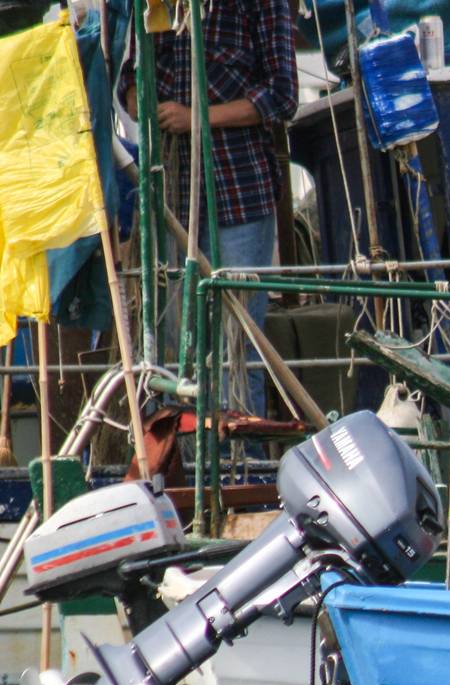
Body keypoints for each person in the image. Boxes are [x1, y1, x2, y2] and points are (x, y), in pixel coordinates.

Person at [120, 0, 298, 417]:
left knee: (236, 347)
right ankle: (177, 463)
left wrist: (198, 116)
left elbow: (282, 95)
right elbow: (128, 81)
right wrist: (139, 100)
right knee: (171, 344)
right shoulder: (152, 5)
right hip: (170, 195)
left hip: (238, 194)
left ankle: (242, 466)